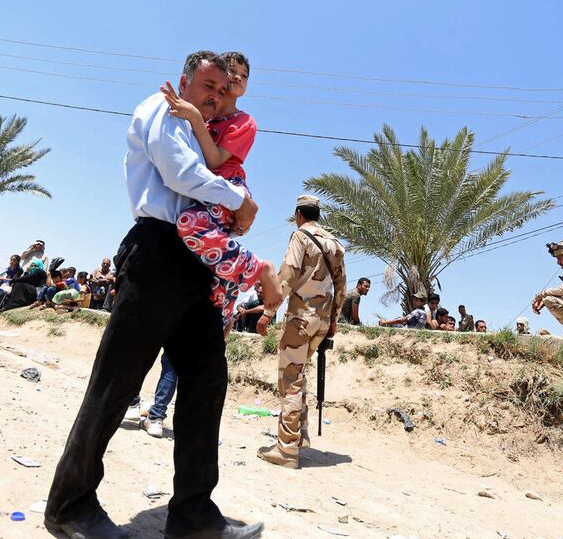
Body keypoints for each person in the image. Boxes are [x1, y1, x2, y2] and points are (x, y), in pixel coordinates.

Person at [44, 50, 264, 539]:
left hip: (195, 264)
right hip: (157, 255)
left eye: (220, 89)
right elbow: (181, 175)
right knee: (115, 384)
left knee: (207, 386)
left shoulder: (203, 128)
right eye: (206, 86)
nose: (213, 95)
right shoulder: (162, 110)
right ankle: (69, 505)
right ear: (183, 82)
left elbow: (210, 179)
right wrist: (240, 201)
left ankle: (194, 516)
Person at [161, 51, 282, 333]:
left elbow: (215, 160)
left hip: (228, 189)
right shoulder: (206, 117)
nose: (238, 77)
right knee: (214, 273)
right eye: (232, 70)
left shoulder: (242, 122)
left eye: (244, 74)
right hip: (207, 192)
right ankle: (224, 319)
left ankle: (258, 268)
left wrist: (192, 117)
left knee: (191, 226)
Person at [255, 195, 346, 469]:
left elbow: (287, 275)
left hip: (300, 318)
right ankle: (300, 435)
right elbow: (341, 285)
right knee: (300, 373)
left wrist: (268, 312)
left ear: (298, 214)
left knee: (290, 379)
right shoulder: (335, 243)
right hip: (322, 319)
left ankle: (286, 450)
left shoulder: (300, 237)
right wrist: (334, 321)